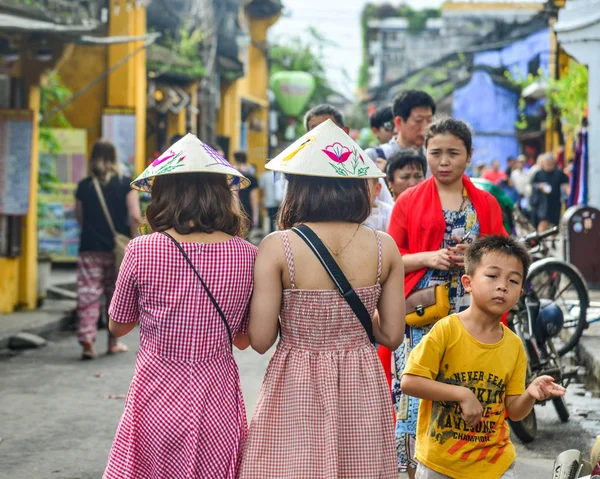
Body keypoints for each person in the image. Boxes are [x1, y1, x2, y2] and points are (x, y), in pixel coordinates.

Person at [240, 119, 406, 478]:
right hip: (361, 381)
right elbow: (392, 336)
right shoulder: (384, 247)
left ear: (298, 186)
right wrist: (349, 322)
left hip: (295, 382)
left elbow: (261, 340)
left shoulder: (277, 247)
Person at [104, 134, 257, 478]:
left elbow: (118, 326)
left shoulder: (141, 250)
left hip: (154, 394)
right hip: (216, 397)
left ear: (163, 194)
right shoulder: (247, 255)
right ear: (222, 194)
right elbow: (244, 340)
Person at [381, 117, 507, 478]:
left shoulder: (486, 202)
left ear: (469, 155)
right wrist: (428, 257)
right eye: (435, 153)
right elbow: (390, 258)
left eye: (453, 153)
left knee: (466, 389)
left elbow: (504, 255)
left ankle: (462, 466)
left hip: (473, 313)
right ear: (425, 153)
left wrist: (477, 253)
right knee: (413, 395)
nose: (444, 161)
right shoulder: (407, 201)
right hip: (421, 314)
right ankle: (410, 471)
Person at [401, 235, 566, 479]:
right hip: (441, 463)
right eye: (492, 276)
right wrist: (462, 394)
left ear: (519, 293)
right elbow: (410, 382)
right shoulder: (446, 330)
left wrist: (530, 394)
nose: (502, 286)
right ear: (468, 282)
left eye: (513, 280)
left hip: (495, 464)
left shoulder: (513, 346)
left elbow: (514, 411)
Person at [74, 139, 141, 360]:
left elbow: (79, 217)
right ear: (115, 157)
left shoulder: (84, 185)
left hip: (89, 247)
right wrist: (134, 240)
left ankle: (87, 340)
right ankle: (113, 342)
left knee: (88, 294)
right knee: (116, 296)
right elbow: (135, 216)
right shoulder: (125, 184)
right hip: (117, 250)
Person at [304, 103, 394, 206]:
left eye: (328, 128)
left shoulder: (363, 168)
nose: (322, 134)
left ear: (345, 131)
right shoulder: (297, 171)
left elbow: (386, 210)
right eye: (316, 130)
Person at [365, 90, 436, 169]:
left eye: (429, 120)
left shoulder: (434, 158)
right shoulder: (374, 156)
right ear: (398, 122)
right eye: (418, 121)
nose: (425, 127)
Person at [530, 152, 570, 232]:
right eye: (546, 163)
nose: (548, 165)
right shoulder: (538, 174)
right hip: (542, 203)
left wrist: (570, 195)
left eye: (550, 163)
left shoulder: (558, 173)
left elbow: (566, 185)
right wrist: (539, 186)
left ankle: (552, 242)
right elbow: (533, 185)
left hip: (555, 202)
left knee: (554, 224)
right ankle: (541, 241)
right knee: (543, 221)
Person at [233, 150, 260, 230]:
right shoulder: (251, 174)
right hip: (247, 207)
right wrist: (255, 216)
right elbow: (254, 197)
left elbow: (234, 193)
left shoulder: (232, 173)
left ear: (235, 159)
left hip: (234, 206)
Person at [259, 168, 284, 232]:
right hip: (278, 201)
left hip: (268, 202)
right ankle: (277, 232)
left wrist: (261, 199)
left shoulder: (264, 175)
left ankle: (270, 232)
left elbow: (261, 189)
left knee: (270, 219)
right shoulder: (278, 174)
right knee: (278, 218)